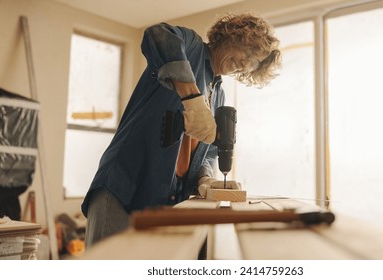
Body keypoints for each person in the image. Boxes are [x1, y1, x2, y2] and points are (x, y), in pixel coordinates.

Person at [81, 12, 281, 248]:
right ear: (232, 36)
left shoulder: (218, 94)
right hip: (124, 186)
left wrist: (205, 177)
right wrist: (193, 99)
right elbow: (157, 35)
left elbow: (208, 152)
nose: (246, 63)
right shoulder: (192, 48)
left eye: (253, 62)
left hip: (162, 201)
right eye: (247, 53)